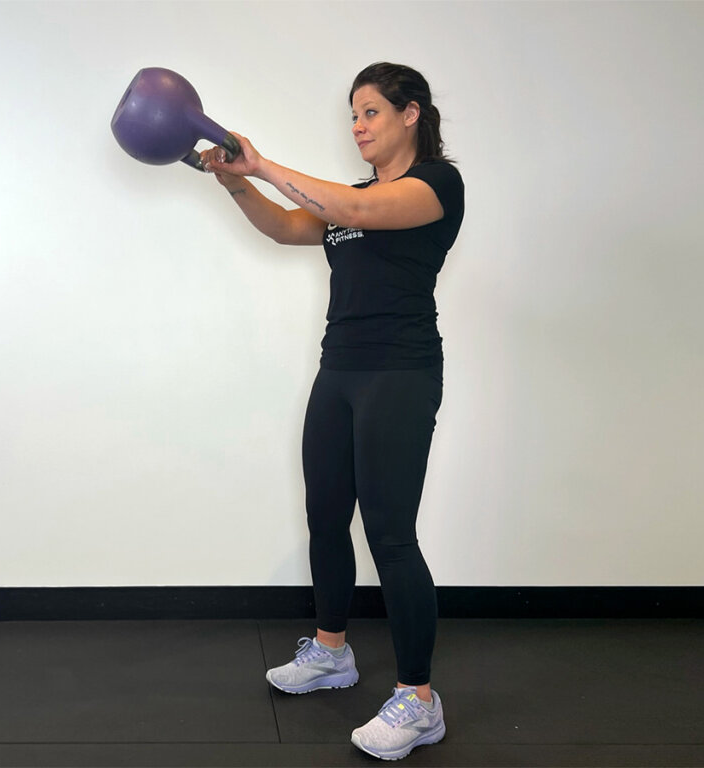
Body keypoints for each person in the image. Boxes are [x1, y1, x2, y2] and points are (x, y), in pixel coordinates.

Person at [201, 62, 464, 762]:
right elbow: (289, 227)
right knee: (324, 513)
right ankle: (331, 651)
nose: (358, 127)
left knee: (390, 532)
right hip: (340, 370)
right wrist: (235, 182)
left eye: (371, 112)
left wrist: (259, 161)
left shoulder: (437, 185)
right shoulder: (347, 199)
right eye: (353, 115)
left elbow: (355, 212)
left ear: (411, 113)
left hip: (401, 374)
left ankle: (420, 698)